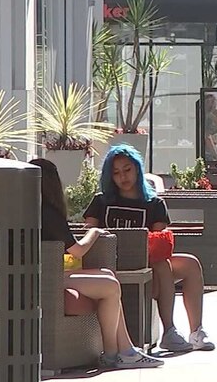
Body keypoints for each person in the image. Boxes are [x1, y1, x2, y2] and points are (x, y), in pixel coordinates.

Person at [32, 158, 163, 369]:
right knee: (110, 286)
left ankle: (124, 351)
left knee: (108, 276)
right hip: (47, 277)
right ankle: (114, 353)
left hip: (43, 273)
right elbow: (78, 249)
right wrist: (94, 232)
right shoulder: (48, 213)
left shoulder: (29, 210)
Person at [83, 145, 215, 353]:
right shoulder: (101, 201)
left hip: (146, 263)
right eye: (116, 173)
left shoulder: (154, 204)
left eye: (127, 169)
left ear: (137, 169)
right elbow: (88, 232)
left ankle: (192, 332)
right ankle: (170, 329)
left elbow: (159, 243)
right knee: (163, 266)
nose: (123, 177)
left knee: (185, 263)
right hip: (108, 260)